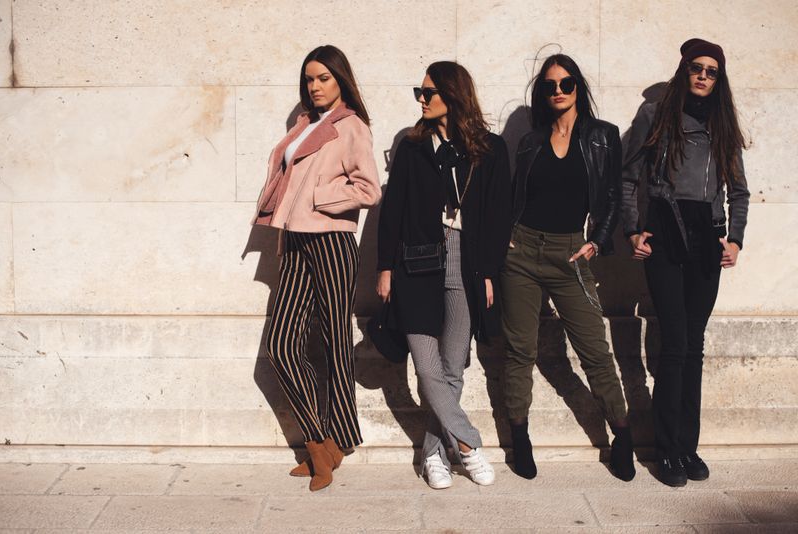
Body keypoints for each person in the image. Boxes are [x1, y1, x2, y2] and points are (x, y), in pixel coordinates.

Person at [376, 61, 511, 489]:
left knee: (454, 365)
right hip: (415, 263)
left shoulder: (490, 149)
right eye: (420, 90)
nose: (421, 98)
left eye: (428, 91)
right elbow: (391, 212)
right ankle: (468, 444)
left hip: (466, 260)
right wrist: (384, 268)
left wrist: (488, 272)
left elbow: (497, 217)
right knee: (427, 365)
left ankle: (432, 453)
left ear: (452, 95)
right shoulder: (413, 148)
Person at [500, 54, 635, 481]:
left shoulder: (603, 136)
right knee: (521, 351)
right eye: (550, 85)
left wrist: (596, 241)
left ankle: (623, 437)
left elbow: (612, 196)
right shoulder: (530, 141)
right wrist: (507, 236)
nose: (558, 90)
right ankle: (520, 437)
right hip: (521, 254)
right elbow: (514, 194)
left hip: (570, 253)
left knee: (595, 352)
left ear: (578, 87)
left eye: (566, 83)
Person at [252, 45, 381, 492]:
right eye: (309, 79)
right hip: (297, 242)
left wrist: (318, 199)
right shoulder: (304, 124)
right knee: (282, 345)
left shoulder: (352, 126)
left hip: (332, 242)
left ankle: (339, 440)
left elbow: (368, 188)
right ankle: (319, 440)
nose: (315, 86)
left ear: (340, 80)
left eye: (323, 78)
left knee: (333, 341)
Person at [622, 38, 750, 487]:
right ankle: (667, 450)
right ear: (683, 69)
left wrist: (735, 239)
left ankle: (688, 447)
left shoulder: (722, 123)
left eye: (712, 71)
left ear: (719, 79)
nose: (703, 75)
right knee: (675, 344)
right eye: (696, 67)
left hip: (707, 240)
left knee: (693, 346)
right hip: (667, 235)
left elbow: (738, 189)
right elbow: (627, 176)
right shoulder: (654, 116)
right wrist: (632, 230)